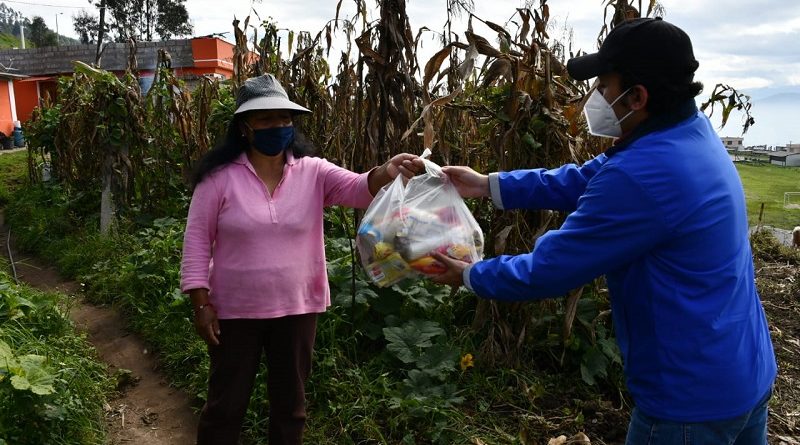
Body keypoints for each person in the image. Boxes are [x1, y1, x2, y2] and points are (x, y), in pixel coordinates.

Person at [431, 17, 776, 444]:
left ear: (637, 96)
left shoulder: (645, 174)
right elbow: (584, 177)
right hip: (744, 372)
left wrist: (469, 273)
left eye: (603, 86)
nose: (595, 96)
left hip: (689, 402)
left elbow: (550, 269)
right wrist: (488, 185)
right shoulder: (687, 132)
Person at [180, 73, 421, 445]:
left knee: (290, 407)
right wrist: (201, 305)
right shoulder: (218, 180)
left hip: (296, 309)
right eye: (266, 119)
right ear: (245, 127)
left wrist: (386, 171)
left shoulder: (313, 172)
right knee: (226, 407)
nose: (277, 126)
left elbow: (359, 188)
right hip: (234, 313)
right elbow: (196, 243)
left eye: (284, 118)